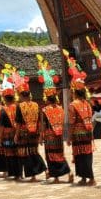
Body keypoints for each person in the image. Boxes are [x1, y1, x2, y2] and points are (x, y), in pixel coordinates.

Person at [38, 54, 72, 184]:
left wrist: (41, 136)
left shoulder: (45, 110)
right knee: (59, 154)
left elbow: (43, 124)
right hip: (59, 135)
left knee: (51, 156)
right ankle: (68, 172)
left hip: (49, 135)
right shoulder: (60, 108)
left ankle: (57, 177)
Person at [63, 49, 95, 186]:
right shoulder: (87, 103)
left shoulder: (72, 105)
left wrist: (69, 137)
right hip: (88, 133)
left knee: (80, 156)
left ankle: (87, 177)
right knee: (87, 155)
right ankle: (86, 177)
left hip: (77, 134)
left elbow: (71, 123)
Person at [13, 68, 47, 182]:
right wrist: (41, 133)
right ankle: (42, 170)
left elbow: (18, 122)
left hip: (24, 132)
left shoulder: (20, 106)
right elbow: (40, 121)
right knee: (34, 151)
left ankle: (33, 175)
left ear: (22, 96)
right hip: (35, 132)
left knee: (26, 153)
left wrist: (16, 135)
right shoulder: (36, 105)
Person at [0, 75, 20, 180]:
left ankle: (13, 173)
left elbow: (1, 126)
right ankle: (19, 173)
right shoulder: (18, 107)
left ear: (5, 98)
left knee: (9, 153)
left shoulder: (3, 110)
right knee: (17, 153)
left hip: (7, 135)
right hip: (18, 133)